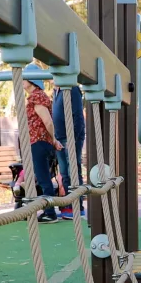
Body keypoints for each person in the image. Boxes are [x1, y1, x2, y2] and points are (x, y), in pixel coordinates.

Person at [22, 64, 62, 222]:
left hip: (39, 142)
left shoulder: (37, 97)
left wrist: (54, 139)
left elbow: (48, 122)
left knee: (43, 178)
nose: (22, 82)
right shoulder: (38, 96)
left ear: (31, 81)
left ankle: (50, 213)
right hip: (38, 142)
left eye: (25, 79)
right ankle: (40, 209)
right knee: (39, 176)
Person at [52, 85, 85, 219]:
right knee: (65, 173)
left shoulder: (72, 88)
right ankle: (70, 204)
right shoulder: (56, 92)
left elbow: (77, 115)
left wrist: (74, 139)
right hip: (59, 138)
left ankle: (78, 205)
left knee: (73, 171)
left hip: (70, 137)